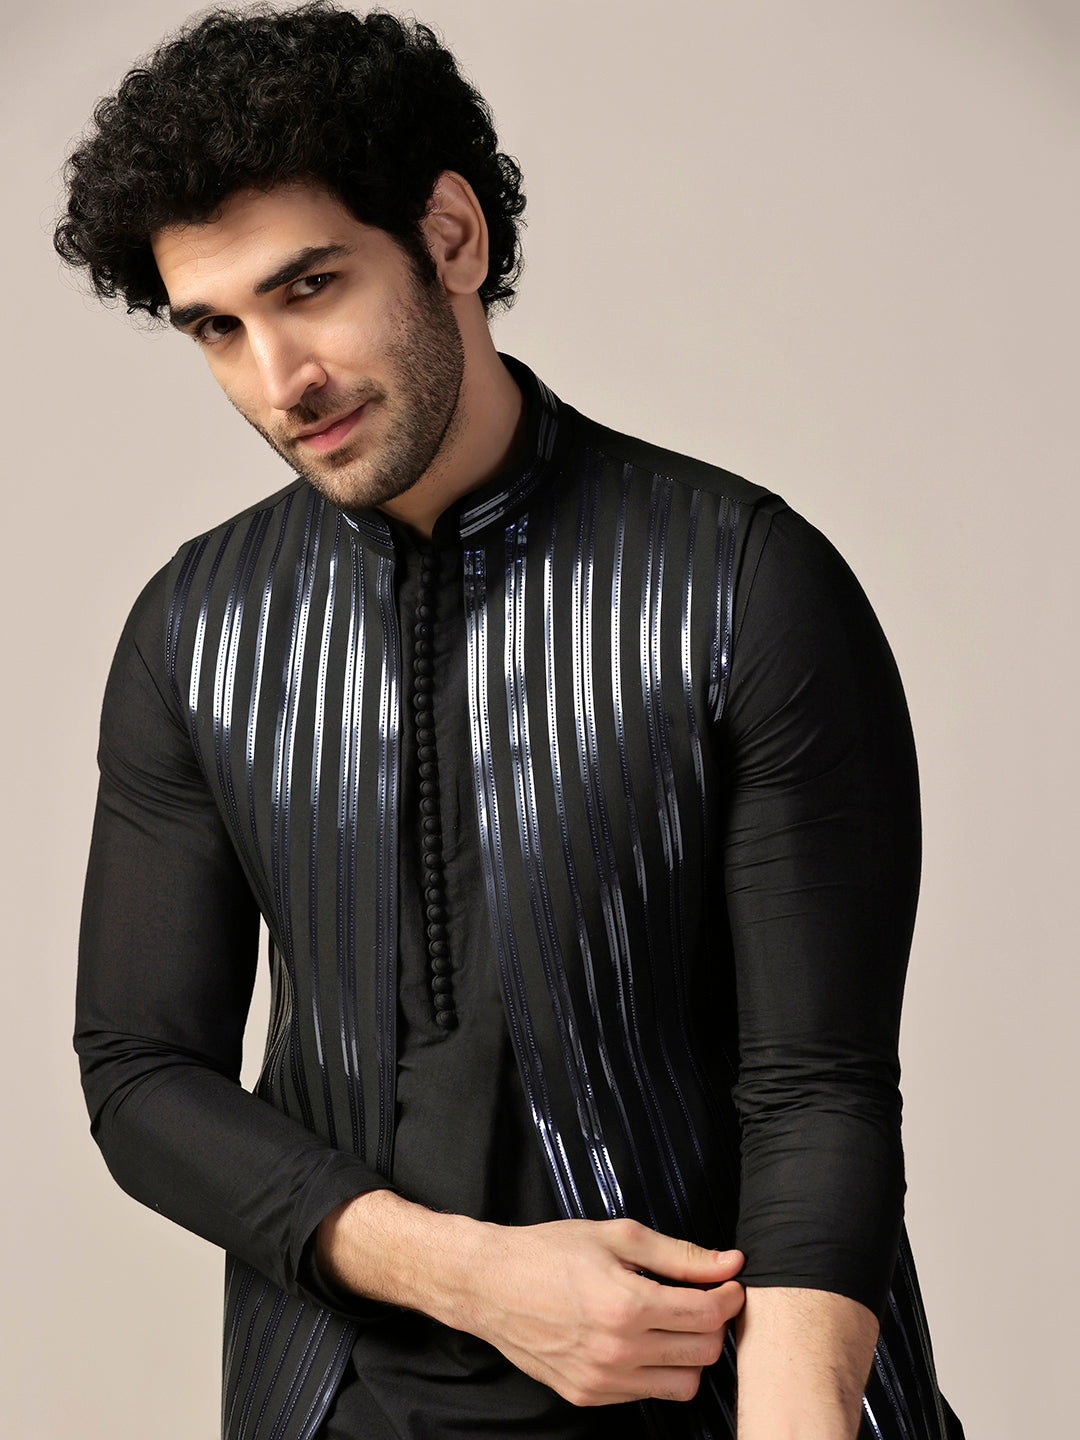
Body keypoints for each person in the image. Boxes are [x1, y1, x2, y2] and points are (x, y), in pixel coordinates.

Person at [59, 5, 965, 1438]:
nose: (279, 381)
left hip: (718, 1389)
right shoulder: (196, 630)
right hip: (341, 1400)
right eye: (219, 328)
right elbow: (141, 1074)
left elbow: (819, 1091)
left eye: (311, 287)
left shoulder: (741, 583)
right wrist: (473, 1278)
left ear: (451, 236)